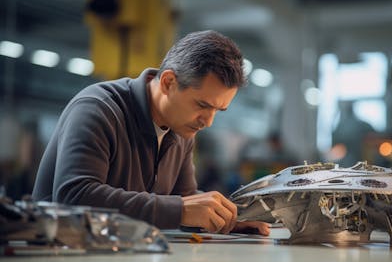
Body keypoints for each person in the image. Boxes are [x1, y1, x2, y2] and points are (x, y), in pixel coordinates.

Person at [32, 30, 269, 236]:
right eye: (202, 105)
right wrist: (179, 210)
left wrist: (226, 220)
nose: (208, 121)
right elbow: (74, 196)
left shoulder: (182, 130)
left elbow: (183, 198)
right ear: (168, 82)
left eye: (219, 110)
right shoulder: (97, 108)